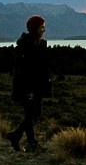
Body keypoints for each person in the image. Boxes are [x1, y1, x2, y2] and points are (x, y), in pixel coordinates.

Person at [6, 15, 52, 152]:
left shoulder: (39, 44)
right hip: (28, 86)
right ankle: (31, 143)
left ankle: (16, 135)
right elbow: (25, 69)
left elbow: (42, 67)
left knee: (33, 114)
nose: (44, 30)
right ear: (35, 28)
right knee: (30, 113)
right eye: (42, 27)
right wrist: (29, 89)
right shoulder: (26, 46)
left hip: (37, 85)